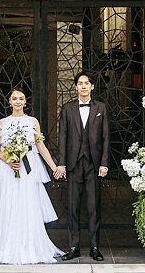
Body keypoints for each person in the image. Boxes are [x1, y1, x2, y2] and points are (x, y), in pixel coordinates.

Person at [0, 88, 64, 264]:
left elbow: (41, 147)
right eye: (14, 98)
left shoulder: (33, 122)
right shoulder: (2, 123)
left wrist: (55, 167)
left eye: (21, 98)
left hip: (29, 169)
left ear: (25, 102)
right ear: (9, 102)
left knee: (28, 204)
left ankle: (30, 246)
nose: (17, 101)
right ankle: (5, 246)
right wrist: (8, 161)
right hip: (8, 170)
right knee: (8, 205)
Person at [53, 71, 110, 261]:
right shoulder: (67, 109)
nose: (83, 86)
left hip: (93, 164)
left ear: (92, 86)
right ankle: (73, 246)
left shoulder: (101, 107)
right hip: (73, 164)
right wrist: (61, 163)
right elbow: (62, 138)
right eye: (80, 83)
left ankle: (95, 247)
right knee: (73, 207)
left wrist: (104, 163)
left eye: (87, 83)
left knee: (94, 207)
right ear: (76, 86)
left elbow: (106, 138)